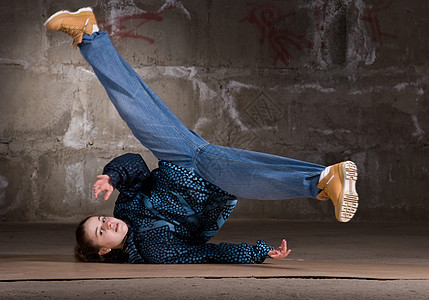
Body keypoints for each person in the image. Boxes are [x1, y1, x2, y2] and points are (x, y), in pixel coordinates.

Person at [44, 7, 358, 264]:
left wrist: (113, 177)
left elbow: (136, 165)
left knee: (135, 108)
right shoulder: (157, 253)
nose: (107, 224)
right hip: (211, 183)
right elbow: (207, 253)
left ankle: (89, 35)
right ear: (104, 250)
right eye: (101, 233)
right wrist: (258, 252)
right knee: (251, 173)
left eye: (100, 220)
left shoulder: (125, 210)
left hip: (180, 157)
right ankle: (322, 181)